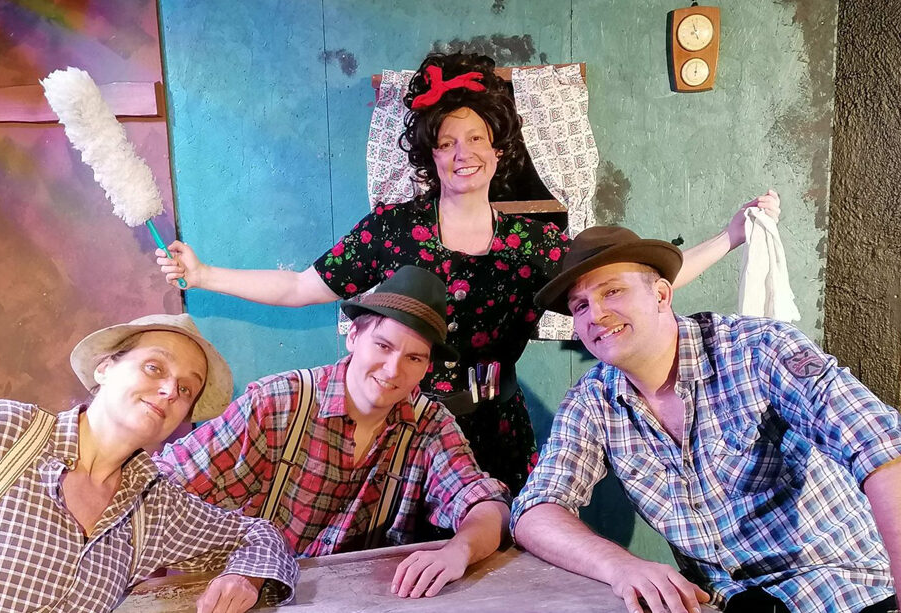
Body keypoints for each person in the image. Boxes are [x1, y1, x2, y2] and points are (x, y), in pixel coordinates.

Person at [155, 51, 781, 493]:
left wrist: (732, 237)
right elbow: (298, 287)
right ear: (430, 153)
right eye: (448, 141)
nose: (464, 154)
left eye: (477, 139)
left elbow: (635, 286)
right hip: (403, 426)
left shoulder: (533, 243)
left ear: (498, 149)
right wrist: (204, 275)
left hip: (498, 428)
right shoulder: (393, 229)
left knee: (500, 561)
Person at [510, 226, 901, 613]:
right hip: (728, 601)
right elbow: (535, 510)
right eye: (580, 306)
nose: (596, 314)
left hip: (845, 591)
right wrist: (620, 566)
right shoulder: (593, 400)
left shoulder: (758, 350)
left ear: (661, 294)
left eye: (612, 291)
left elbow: (882, 451)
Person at [0, 313, 298, 613]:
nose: (170, 390)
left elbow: (259, 536)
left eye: (187, 388)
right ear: (105, 369)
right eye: (154, 367)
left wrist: (245, 576)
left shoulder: (155, 507)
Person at [154, 266, 511, 599]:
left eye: (413, 358)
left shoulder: (429, 426)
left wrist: (459, 550)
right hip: (247, 597)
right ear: (353, 336)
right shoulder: (277, 404)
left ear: (426, 367)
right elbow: (159, 489)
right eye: (383, 346)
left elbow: (487, 505)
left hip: (354, 601)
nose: (393, 370)